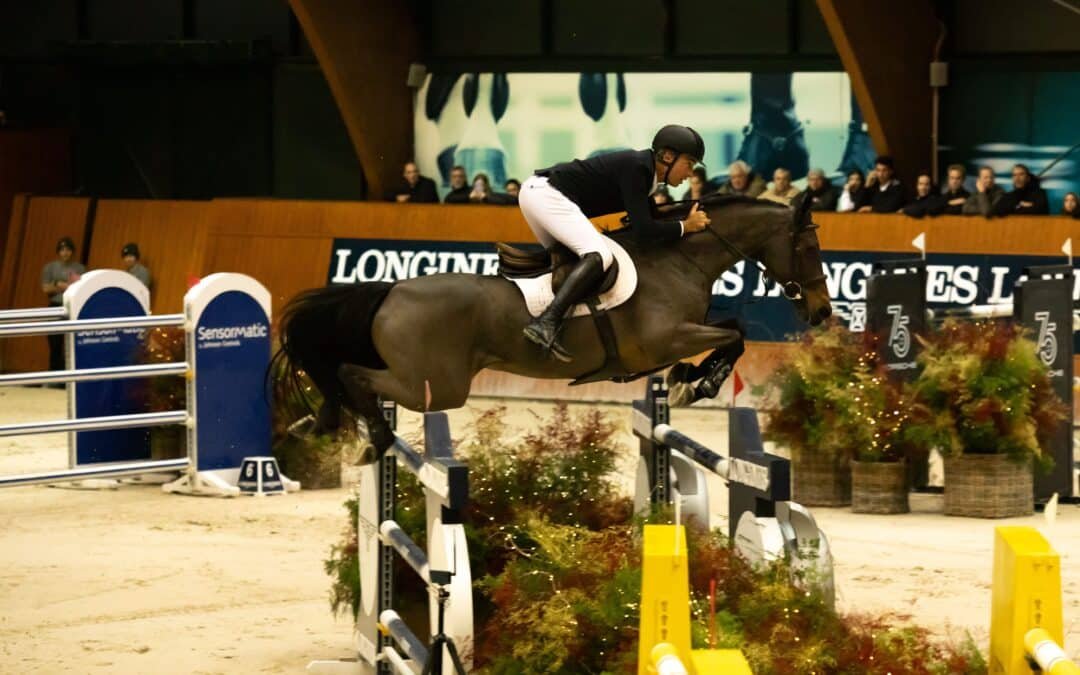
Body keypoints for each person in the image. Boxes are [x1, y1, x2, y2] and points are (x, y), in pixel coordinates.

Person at [518, 125, 710, 361]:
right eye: (689, 163)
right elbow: (645, 231)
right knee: (599, 255)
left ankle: (555, 326)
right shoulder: (638, 168)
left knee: (569, 263)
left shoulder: (645, 175)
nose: (690, 173)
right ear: (668, 157)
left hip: (538, 194)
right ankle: (546, 323)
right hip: (547, 195)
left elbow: (648, 220)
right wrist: (685, 226)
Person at [40, 237, 86, 373]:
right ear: (58, 252)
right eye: (62, 250)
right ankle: (54, 373)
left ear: (72, 252)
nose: (65, 253)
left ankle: (69, 375)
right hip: (55, 305)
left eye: (68, 250)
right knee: (54, 341)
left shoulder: (79, 268)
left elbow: (80, 288)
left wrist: (64, 285)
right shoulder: (50, 267)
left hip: (72, 306)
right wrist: (59, 286)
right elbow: (45, 288)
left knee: (71, 342)